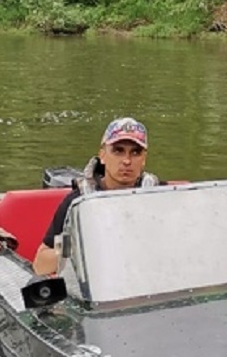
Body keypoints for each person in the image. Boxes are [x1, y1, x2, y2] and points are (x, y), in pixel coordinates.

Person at [32, 116, 160, 275]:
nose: (127, 161)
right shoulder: (77, 201)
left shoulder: (161, 196)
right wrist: (78, 248)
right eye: (118, 151)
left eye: (135, 152)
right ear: (103, 155)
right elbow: (41, 264)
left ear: (144, 159)